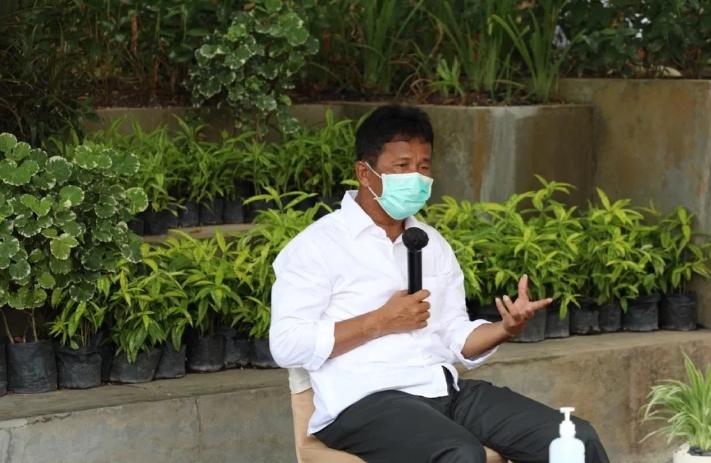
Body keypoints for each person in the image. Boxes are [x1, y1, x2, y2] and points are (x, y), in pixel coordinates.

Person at [270, 105, 609, 463]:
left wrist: (505, 328)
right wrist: (380, 321)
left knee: (576, 439)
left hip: (443, 391)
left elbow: (453, 335)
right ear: (365, 173)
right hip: (364, 402)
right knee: (460, 455)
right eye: (402, 166)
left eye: (423, 166)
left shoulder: (431, 243)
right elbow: (286, 344)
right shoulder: (316, 247)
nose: (415, 177)